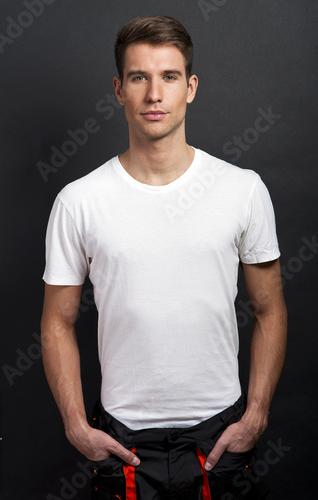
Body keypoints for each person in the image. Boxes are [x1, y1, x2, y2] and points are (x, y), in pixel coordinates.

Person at [41, 15, 287, 500]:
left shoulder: (243, 189)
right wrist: (75, 425)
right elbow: (56, 322)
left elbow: (270, 309)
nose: (155, 94)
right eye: (139, 77)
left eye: (169, 77)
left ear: (190, 87)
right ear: (119, 89)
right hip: (121, 440)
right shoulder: (79, 200)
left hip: (219, 435)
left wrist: (256, 414)